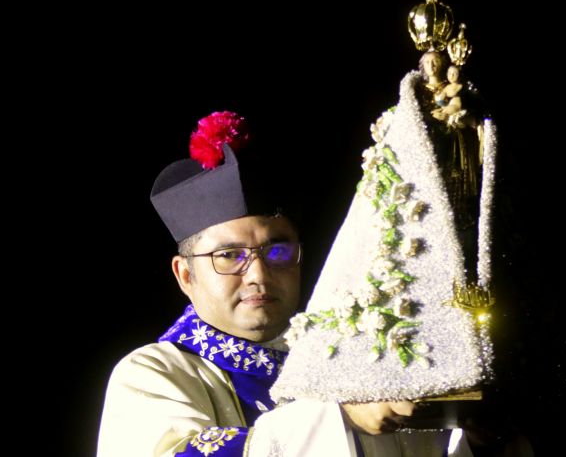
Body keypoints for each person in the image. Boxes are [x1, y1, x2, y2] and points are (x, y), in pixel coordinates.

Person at [97, 111, 473, 456]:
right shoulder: (152, 373)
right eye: (229, 256)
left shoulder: (352, 362)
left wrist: (482, 440)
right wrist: (339, 418)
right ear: (185, 275)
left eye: (277, 252)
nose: (259, 275)